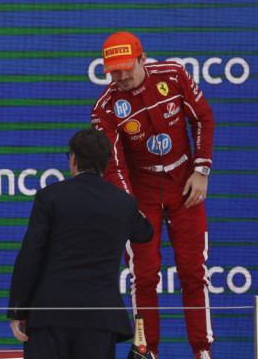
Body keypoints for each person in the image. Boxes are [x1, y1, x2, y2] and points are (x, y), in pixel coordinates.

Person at [91, 31, 215, 359]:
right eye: (113, 71)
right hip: (141, 193)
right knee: (143, 276)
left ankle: (202, 350)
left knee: (193, 270)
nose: (121, 77)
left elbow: (202, 118)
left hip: (185, 184)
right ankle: (146, 350)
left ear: (143, 59)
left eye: (127, 68)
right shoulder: (104, 109)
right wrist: (128, 206)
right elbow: (113, 165)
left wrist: (201, 170)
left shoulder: (173, 75)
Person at [7, 128, 154, 358]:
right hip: (100, 318)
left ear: (73, 159)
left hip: (49, 314)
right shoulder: (124, 204)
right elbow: (145, 233)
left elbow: (30, 254)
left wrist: (18, 309)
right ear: (107, 162)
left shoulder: (50, 196)